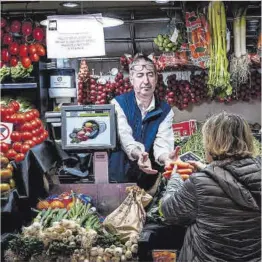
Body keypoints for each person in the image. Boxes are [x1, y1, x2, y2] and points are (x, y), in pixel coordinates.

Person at [159, 112, 261, 262]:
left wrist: (176, 177)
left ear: (211, 143)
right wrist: (209, 169)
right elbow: (237, 181)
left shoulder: (199, 183)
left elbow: (168, 211)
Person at [109, 54, 179, 190]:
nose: (146, 81)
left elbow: (162, 143)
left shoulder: (165, 110)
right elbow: (124, 136)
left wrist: (166, 158)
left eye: (150, 75)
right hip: (119, 178)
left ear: (156, 78)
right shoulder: (118, 104)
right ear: (131, 79)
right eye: (140, 75)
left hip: (148, 179)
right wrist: (138, 153)